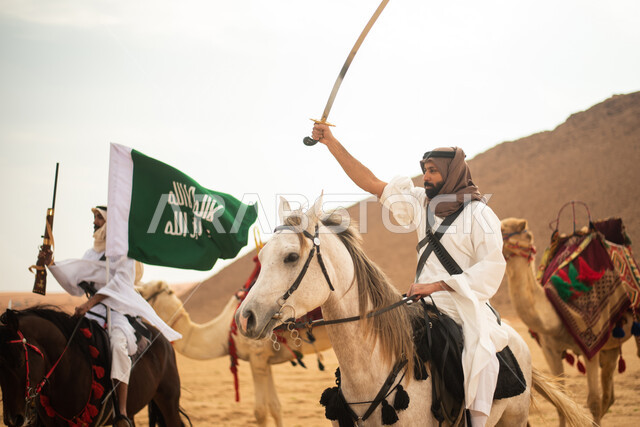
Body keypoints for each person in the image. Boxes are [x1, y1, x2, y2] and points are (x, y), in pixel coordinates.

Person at [311, 124, 508, 427]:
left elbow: (491, 268)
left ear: (452, 172)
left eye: (432, 171)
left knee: (475, 361)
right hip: (420, 302)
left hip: (463, 307)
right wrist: (331, 142)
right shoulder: (421, 202)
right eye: (424, 170)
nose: (425, 177)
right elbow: (372, 182)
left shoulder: (480, 216)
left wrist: (438, 285)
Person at [39, 206, 182, 424]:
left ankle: (121, 412)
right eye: (95, 217)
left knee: (117, 344)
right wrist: (51, 264)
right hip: (90, 312)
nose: (95, 221)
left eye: (99, 217)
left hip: (117, 311)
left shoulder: (124, 252)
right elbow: (74, 284)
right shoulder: (92, 253)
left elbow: (121, 283)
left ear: (110, 222)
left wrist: (91, 302)